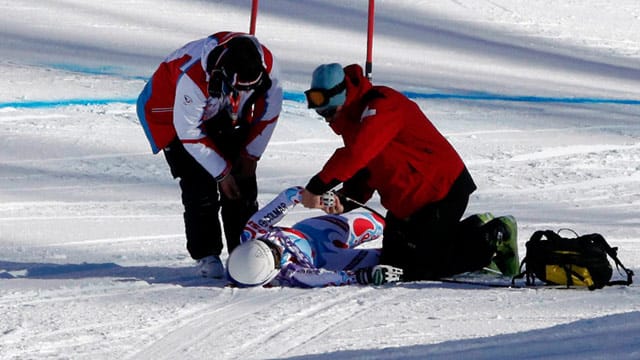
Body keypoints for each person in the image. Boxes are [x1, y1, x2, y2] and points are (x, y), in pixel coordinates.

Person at [299, 63, 518, 281]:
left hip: (439, 191)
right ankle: (473, 228)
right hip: (406, 202)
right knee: (392, 265)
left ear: (343, 96)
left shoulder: (382, 105)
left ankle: (495, 235)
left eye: (327, 111)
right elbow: (366, 170)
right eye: (320, 112)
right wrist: (345, 201)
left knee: (422, 269)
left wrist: (316, 187)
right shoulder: (354, 122)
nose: (326, 118)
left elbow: (357, 154)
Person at [136, 31, 283, 278]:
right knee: (199, 183)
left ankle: (245, 251)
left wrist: (250, 156)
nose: (242, 93)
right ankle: (207, 255)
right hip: (171, 117)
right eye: (237, 88)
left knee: (242, 181)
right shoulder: (193, 77)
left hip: (221, 114)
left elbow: (268, 114)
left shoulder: (267, 64)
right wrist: (221, 173)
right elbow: (189, 133)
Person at [226, 186, 403, 287]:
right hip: (331, 259)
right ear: (274, 270)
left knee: (384, 223)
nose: (279, 247)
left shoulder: (253, 230)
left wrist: (310, 197)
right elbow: (325, 277)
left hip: (317, 231)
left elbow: (288, 197)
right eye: (277, 254)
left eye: (270, 244)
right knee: (395, 257)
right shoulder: (290, 273)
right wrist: (364, 276)